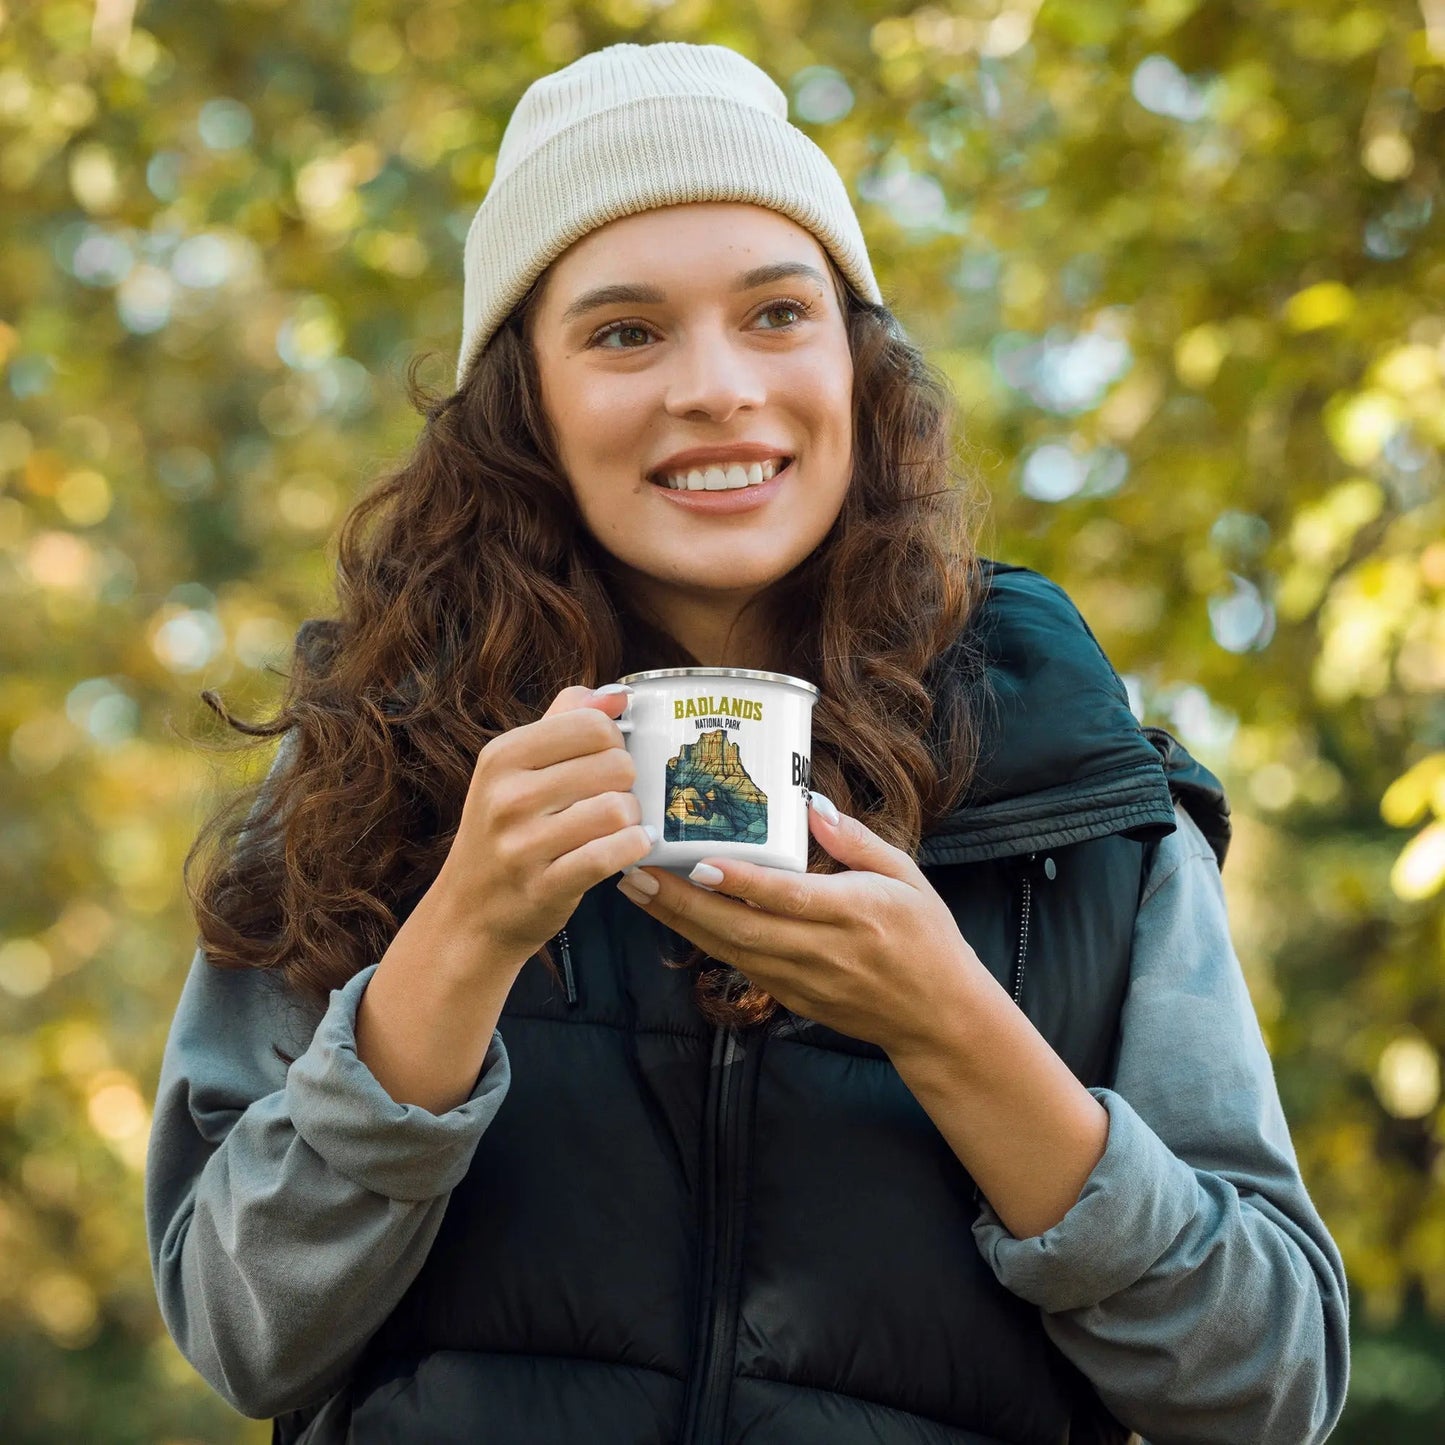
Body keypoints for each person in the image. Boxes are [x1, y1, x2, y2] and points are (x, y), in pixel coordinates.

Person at [145, 39, 1350, 1445]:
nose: (716, 387)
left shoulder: (1071, 792)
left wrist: (949, 1024)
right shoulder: (374, 766)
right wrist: (459, 938)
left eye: (777, 314)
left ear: (856, 362)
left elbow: (1269, 1386)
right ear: (522, 399)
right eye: (623, 332)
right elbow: (239, 1334)